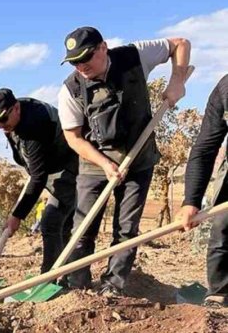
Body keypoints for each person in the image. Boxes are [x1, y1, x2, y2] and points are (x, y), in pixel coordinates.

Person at [58, 26, 191, 295]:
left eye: (86, 58)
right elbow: (73, 138)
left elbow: (180, 43)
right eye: (74, 62)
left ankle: (113, 286)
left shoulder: (134, 56)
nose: (80, 66)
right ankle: (77, 287)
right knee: (83, 227)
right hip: (95, 163)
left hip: (139, 159)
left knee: (127, 229)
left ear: (103, 48)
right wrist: (105, 164)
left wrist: (177, 80)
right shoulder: (70, 89)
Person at [0, 88, 78, 272]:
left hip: (67, 168)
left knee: (51, 221)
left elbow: (38, 177)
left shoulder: (33, 125)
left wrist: (17, 215)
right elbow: (30, 166)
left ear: (16, 108)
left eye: (3, 119)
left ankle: (50, 276)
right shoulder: (13, 122)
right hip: (50, 167)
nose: (0, 125)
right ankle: (64, 274)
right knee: (62, 225)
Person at [177, 74, 228, 307]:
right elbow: (205, 148)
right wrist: (191, 201)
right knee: (223, 228)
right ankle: (220, 293)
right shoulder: (225, 88)